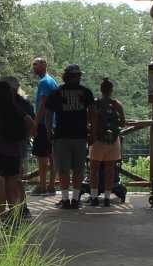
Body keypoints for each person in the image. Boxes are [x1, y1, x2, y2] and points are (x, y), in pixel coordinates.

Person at [41, 63, 93, 209]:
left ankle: (65, 199)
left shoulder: (57, 93)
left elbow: (49, 114)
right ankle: (75, 199)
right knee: (78, 169)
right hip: (80, 135)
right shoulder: (86, 92)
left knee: (63, 168)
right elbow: (93, 114)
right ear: (74, 76)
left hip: (62, 136)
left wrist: (49, 131)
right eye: (79, 75)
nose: (80, 77)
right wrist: (93, 132)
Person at [0, 79, 35, 222]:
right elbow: (32, 125)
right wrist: (24, 137)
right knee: (13, 187)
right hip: (14, 152)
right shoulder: (17, 108)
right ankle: (15, 218)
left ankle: (2, 217)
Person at [88, 77, 126, 206]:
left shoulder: (95, 103)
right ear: (111, 90)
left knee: (94, 170)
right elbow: (122, 122)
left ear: (101, 90)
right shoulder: (117, 104)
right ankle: (107, 198)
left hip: (97, 140)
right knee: (110, 170)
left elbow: (89, 120)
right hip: (113, 141)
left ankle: (94, 198)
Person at [30, 58, 59, 196]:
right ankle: (51, 186)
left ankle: (42, 186)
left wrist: (35, 122)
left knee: (42, 155)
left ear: (44, 65)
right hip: (53, 123)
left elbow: (43, 104)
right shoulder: (52, 81)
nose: (33, 67)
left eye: (36, 64)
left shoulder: (44, 82)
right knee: (51, 155)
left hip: (44, 123)